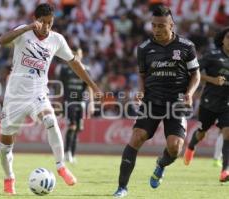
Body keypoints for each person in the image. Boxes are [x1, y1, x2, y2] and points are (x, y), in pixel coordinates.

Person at [0, 3, 101, 195]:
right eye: (42, 22)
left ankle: (61, 167)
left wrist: (93, 85)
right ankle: (9, 177)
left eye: (50, 23)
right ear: (35, 19)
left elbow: (74, 63)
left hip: (38, 92)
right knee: (5, 147)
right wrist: (28, 27)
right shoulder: (23, 31)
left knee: (50, 119)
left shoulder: (57, 39)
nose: (46, 27)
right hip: (15, 97)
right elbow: (1, 41)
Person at [113, 6, 200, 197]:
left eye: (161, 26)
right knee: (137, 137)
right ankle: (122, 188)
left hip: (177, 102)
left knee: (175, 148)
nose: (157, 30)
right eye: (154, 26)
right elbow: (142, 74)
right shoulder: (144, 48)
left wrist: (190, 93)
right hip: (152, 101)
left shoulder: (186, 46)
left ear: (171, 25)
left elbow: (196, 74)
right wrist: (142, 91)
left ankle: (161, 164)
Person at [184, 27, 229, 183]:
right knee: (202, 132)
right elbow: (195, 73)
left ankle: (225, 171)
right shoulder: (212, 55)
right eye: (228, 37)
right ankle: (191, 145)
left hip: (227, 105)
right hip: (209, 102)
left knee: (228, 133)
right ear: (223, 39)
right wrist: (213, 80)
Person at [59, 46, 95, 164]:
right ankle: (67, 153)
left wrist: (91, 103)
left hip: (81, 103)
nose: (77, 56)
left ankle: (73, 154)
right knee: (72, 126)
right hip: (69, 102)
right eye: (75, 54)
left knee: (78, 129)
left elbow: (89, 86)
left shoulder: (86, 69)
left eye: (79, 54)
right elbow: (60, 86)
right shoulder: (65, 69)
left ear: (82, 55)